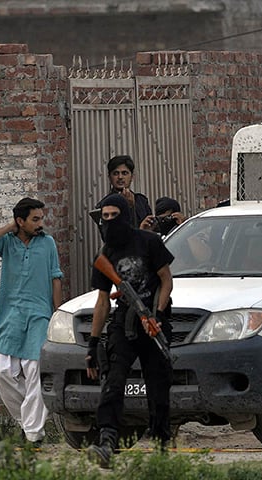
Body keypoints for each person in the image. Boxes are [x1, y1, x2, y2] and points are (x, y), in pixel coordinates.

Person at [85, 194, 174, 468]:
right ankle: (107, 440)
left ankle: (160, 444)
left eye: (114, 215)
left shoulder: (148, 242)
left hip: (153, 321)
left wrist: (156, 316)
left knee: (158, 385)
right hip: (124, 321)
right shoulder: (105, 255)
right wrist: (93, 342)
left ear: (125, 215)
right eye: (105, 216)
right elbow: (102, 301)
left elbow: (166, 281)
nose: (110, 221)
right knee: (113, 380)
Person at [0, 197, 63, 445]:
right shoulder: (7, 242)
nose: (40, 223)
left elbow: (56, 277)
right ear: (20, 221)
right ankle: (27, 421)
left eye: (41, 218)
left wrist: (57, 313)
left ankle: (33, 435)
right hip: (9, 314)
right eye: (34, 219)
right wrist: (8, 228)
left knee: (35, 370)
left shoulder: (48, 243)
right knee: (2, 370)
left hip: (39, 313)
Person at [95, 155, 152, 228]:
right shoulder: (103, 205)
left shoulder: (142, 200)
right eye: (116, 173)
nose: (120, 177)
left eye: (124, 173)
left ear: (132, 177)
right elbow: (109, 235)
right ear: (109, 177)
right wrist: (128, 207)